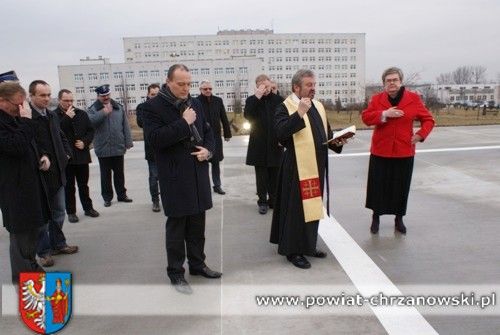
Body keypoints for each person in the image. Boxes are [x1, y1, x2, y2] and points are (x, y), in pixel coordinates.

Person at [141, 64, 221, 294]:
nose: (186, 88)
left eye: (188, 83)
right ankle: (176, 273)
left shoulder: (194, 103)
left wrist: (208, 151)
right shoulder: (152, 107)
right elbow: (156, 139)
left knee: (197, 224)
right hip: (175, 175)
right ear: (168, 82)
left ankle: (197, 264)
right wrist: (183, 123)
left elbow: (208, 132)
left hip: (197, 173)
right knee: (177, 227)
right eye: (181, 84)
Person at [270, 69, 346, 269]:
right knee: (296, 210)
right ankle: (293, 251)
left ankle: (308, 245)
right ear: (297, 87)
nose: (313, 88)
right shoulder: (284, 107)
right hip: (296, 168)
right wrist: (300, 113)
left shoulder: (319, 106)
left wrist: (338, 141)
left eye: (314, 84)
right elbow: (280, 133)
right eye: (309, 85)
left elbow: (325, 135)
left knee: (312, 210)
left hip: (316, 167)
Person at [361, 67, 434, 235]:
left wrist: (420, 135)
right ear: (384, 84)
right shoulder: (377, 99)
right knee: (377, 186)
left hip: (404, 151)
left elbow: (428, 120)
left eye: (395, 80)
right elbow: (366, 118)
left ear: (400, 82)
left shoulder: (413, 99)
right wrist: (384, 113)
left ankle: (399, 218)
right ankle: (376, 217)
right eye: (388, 80)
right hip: (380, 151)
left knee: (400, 186)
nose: (392, 83)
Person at [0, 79, 48, 283]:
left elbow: (32, 141)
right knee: (21, 236)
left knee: (34, 229)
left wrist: (41, 155)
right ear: (2, 101)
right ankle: (23, 278)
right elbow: (16, 146)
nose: (21, 108)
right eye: (17, 104)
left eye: (23, 104)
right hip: (14, 189)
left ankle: (30, 267)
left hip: (30, 184)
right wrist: (27, 121)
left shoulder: (16, 118)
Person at [29, 80, 78, 267]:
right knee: (42, 216)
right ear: (31, 96)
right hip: (41, 175)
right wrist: (42, 156)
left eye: (49, 94)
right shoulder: (27, 118)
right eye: (42, 95)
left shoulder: (51, 115)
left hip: (58, 172)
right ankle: (44, 251)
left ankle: (58, 243)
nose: (47, 98)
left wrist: (66, 153)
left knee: (59, 211)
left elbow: (61, 136)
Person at [55, 89, 99, 222]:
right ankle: (71, 212)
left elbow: (90, 131)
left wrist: (85, 142)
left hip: (81, 156)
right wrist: (67, 118)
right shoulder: (54, 115)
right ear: (59, 100)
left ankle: (88, 208)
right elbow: (56, 132)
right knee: (69, 187)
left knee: (83, 185)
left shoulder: (82, 114)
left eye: (71, 100)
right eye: (66, 101)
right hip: (66, 158)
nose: (69, 103)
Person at [87, 84, 134, 207]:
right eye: (103, 95)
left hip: (118, 146)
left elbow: (125, 126)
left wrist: (128, 141)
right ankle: (107, 197)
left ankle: (122, 195)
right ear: (98, 96)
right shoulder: (93, 109)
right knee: (105, 175)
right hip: (103, 147)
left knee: (119, 174)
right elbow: (90, 122)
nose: (106, 97)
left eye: (107, 94)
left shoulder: (118, 107)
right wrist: (103, 112)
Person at [244, 74, 284, 214]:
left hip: (275, 144)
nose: (266, 89)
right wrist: (257, 97)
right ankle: (262, 202)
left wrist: (283, 138)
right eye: (263, 87)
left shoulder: (279, 100)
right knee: (261, 177)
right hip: (259, 145)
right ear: (257, 86)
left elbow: (284, 120)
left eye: (268, 86)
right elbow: (248, 116)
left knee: (275, 175)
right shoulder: (252, 100)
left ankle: (273, 200)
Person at [196, 80, 232, 195]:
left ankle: (217, 185)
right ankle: (204, 186)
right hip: (202, 138)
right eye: (205, 89)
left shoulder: (218, 100)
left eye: (210, 89)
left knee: (216, 162)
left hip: (216, 136)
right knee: (203, 163)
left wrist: (227, 133)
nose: (208, 91)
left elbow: (224, 118)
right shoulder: (196, 102)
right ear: (200, 90)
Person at [136, 83, 161, 212]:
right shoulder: (142, 107)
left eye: (157, 94)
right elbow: (141, 123)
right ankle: (155, 201)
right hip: (152, 149)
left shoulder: (165, 106)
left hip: (165, 148)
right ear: (148, 95)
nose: (155, 97)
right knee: (153, 177)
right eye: (152, 94)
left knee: (167, 177)